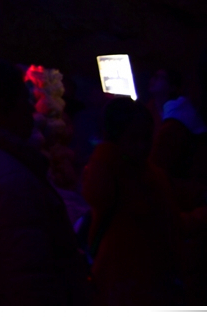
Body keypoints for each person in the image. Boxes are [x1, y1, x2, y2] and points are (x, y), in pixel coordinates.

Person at [0, 57, 90, 304]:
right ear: (0, 108)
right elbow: (31, 279)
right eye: (24, 100)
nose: (31, 110)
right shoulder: (9, 180)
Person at [83, 96, 183, 303]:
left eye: (147, 138)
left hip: (135, 282)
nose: (142, 146)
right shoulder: (113, 172)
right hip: (126, 284)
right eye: (134, 139)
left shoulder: (148, 173)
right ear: (115, 139)